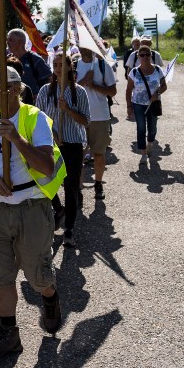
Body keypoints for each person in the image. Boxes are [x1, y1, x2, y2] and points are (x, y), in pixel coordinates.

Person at [0, 66, 65, 357]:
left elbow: (46, 166)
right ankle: (8, 334)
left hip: (32, 205)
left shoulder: (35, 119)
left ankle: (50, 296)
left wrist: (17, 140)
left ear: (16, 89)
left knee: (37, 276)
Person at [35, 55, 90, 247]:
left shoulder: (79, 92)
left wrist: (67, 109)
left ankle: (69, 229)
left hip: (72, 145)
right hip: (50, 144)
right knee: (44, 181)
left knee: (71, 187)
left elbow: (85, 121)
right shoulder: (45, 91)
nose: (57, 68)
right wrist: (53, 134)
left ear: (69, 67)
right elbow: (38, 118)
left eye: (61, 65)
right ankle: (58, 209)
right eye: (55, 65)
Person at [76, 46, 117, 200]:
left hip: (100, 117)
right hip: (78, 117)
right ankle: (78, 188)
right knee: (78, 155)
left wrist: (94, 85)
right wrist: (83, 81)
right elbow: (68, 89)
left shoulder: (102, 65)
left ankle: (98, 183)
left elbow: (112, 91)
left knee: (99, 154)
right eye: (80, 44)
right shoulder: (74, 65)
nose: (83, 48)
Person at [125, 45, 168, 154]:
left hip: (153, 104)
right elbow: (128, 90)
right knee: (141, 128)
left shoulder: (157, 70)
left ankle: (150, 142)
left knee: (152, 128)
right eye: (142, 55)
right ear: (138, 57)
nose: (145, 57)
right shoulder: (134, 72)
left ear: (151, 56)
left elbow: (164, 86)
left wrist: (157, 93)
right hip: (138, 104)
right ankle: (143, 153)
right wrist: (129, 106)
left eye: (147, 55)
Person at [6, 28, 51, 96]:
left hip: (32, 104)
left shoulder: (34, 59)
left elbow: (49, 79)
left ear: (20, 42)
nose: (7, 43)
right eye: (7, 40)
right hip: (13, 102)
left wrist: (41, 97)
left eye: (11, 40)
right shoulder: (7, 60)